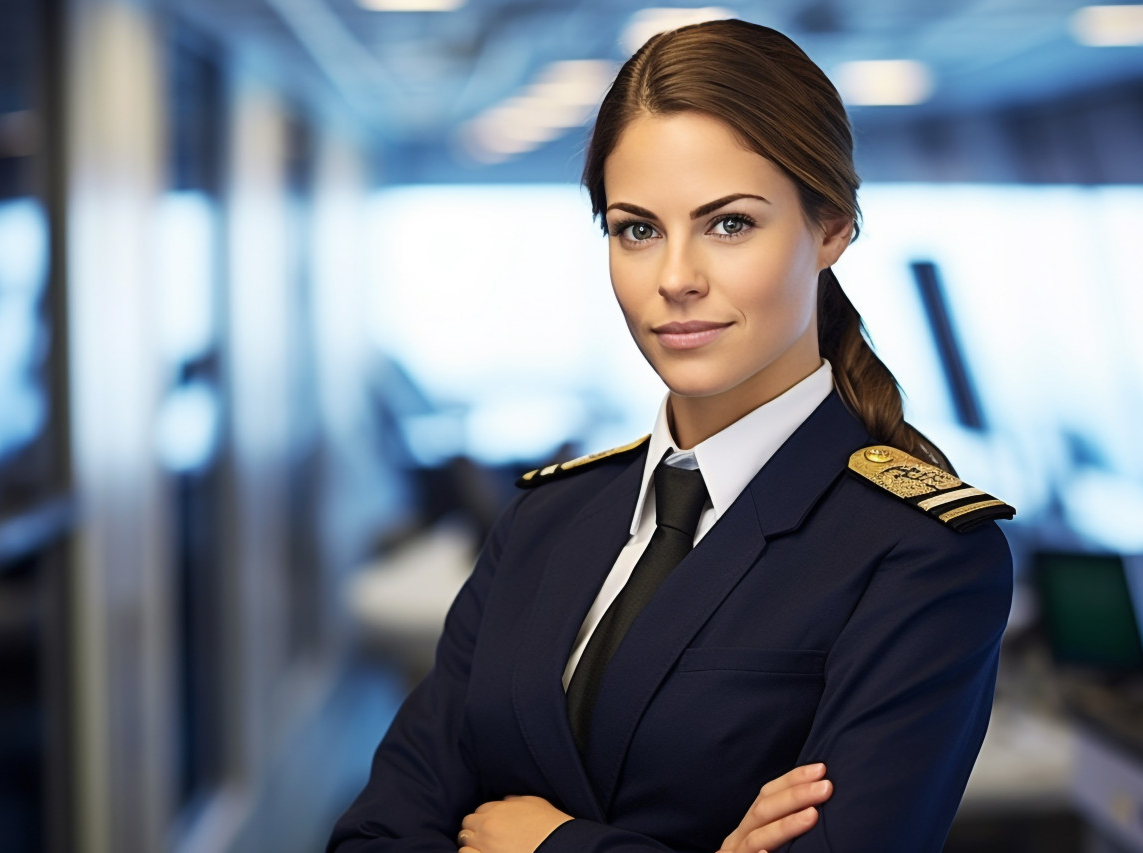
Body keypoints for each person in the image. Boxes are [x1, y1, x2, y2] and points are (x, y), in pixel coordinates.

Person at [329, 18, 1015, 853]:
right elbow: (374, 834)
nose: (677, 279)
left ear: (830, 227)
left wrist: (549, 844)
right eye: (637, 229)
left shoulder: (919, 552)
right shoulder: (546, 522)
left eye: (729, 224)